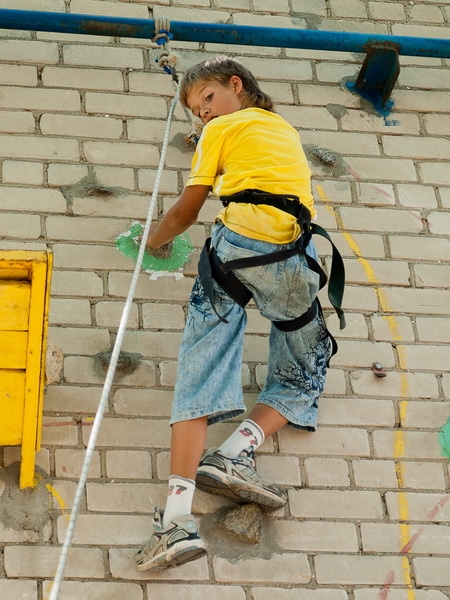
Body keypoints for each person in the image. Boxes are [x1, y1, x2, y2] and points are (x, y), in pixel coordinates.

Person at [135, 55, 339, 572]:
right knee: (306, 367)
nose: (203, 113)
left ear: (236, 85)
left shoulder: (222, 130)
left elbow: (188, 208)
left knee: (201, 365)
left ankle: (175, 523)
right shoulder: (279, 130)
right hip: (293, 256)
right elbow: (253, 164)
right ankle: (237, 450)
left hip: (235, 251)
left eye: (207, 98)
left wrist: (151, 243)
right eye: (195, 110)